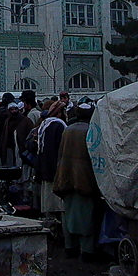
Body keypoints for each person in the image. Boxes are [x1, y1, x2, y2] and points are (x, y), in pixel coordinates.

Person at [53, 102, 105, 262]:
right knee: (87, 218)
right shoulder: (93, 131)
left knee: (69, 216)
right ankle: (87, 251)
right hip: (85, 181)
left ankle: (70, 248)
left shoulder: (68, 130)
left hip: (66, 178)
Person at [34, 100, 68, 221]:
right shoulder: (58, 126)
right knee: (58, 208)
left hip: (46, 172)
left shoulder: (46, 125)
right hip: (55, 173)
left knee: (50, 207)